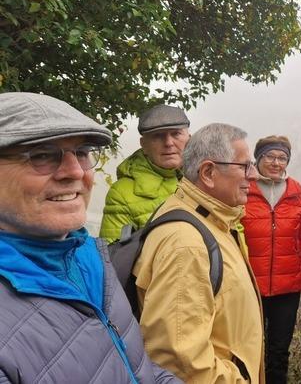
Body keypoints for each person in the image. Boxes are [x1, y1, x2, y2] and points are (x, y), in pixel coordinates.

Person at [0, 92, 180, 383]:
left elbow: (135, 366)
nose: (75, 172)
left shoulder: (90, 255)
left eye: (82, 152)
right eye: (42, 155)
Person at [133, 123, 265, 383]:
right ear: (208, 172)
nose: (254, 175)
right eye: (245, 166)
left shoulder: (209, 218)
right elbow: (179, 360)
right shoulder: (186, 244)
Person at [241, 135, 301, 384]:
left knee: (278, 350)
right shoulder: (244, 187)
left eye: (282, 158)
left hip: (288, 286)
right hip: (249, 285)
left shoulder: (295, 191)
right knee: (246, 348)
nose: (276, 162)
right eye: (270, 156)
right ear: (258, 158)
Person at [99, 104, 190, 241]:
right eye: (158, 136)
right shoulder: (121, 193)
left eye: (176, 133)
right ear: (144, 145)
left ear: (189, 138)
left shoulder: (208, 180)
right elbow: (113, 256)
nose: (168, 143)